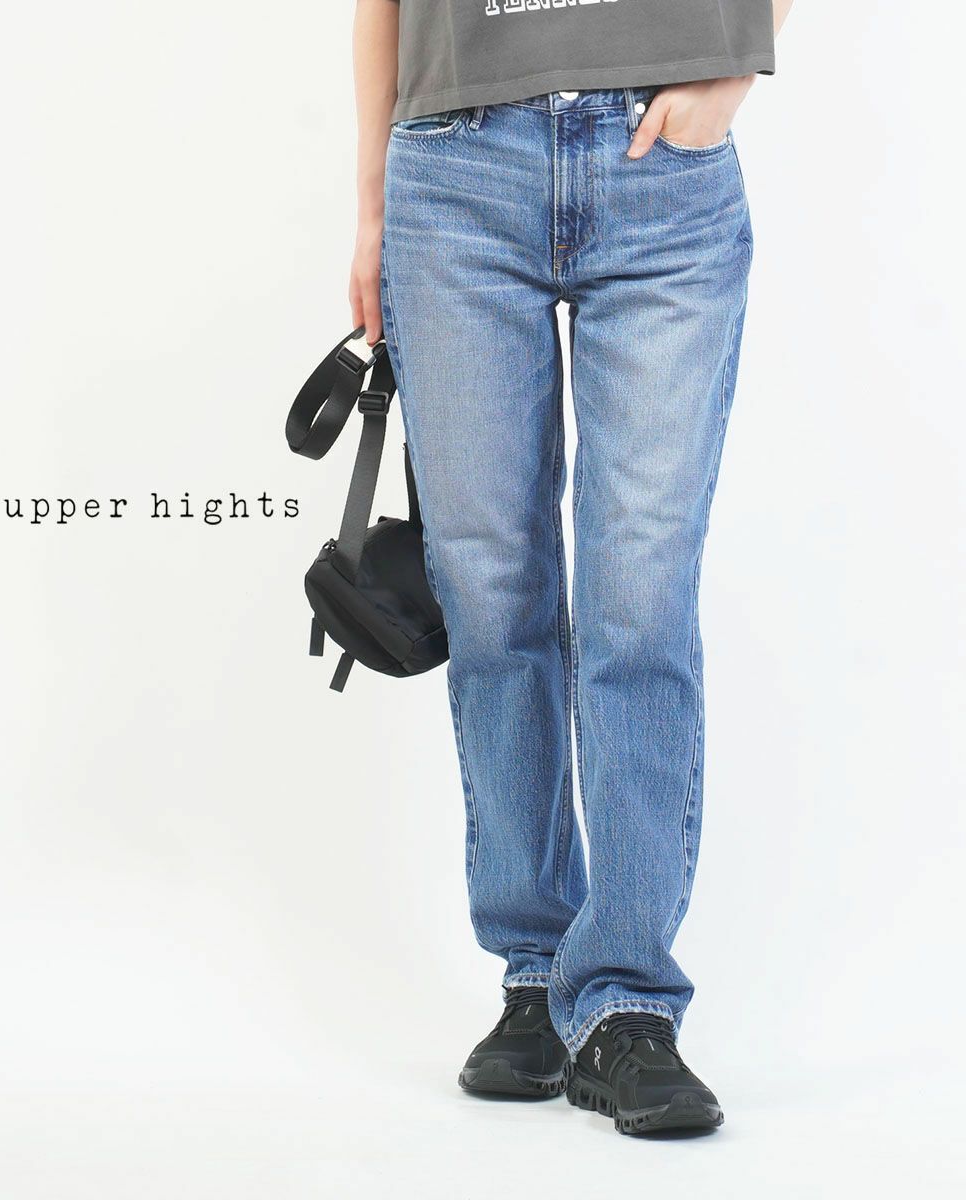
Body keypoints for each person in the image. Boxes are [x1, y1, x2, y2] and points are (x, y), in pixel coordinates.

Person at [349, 0, 793, 1136]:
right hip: (454, 173)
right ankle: (537, 974)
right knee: (492, 598)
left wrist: (734, 71)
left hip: (663, 174)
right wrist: (371, 207)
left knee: (638, 598)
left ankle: (630, 999)